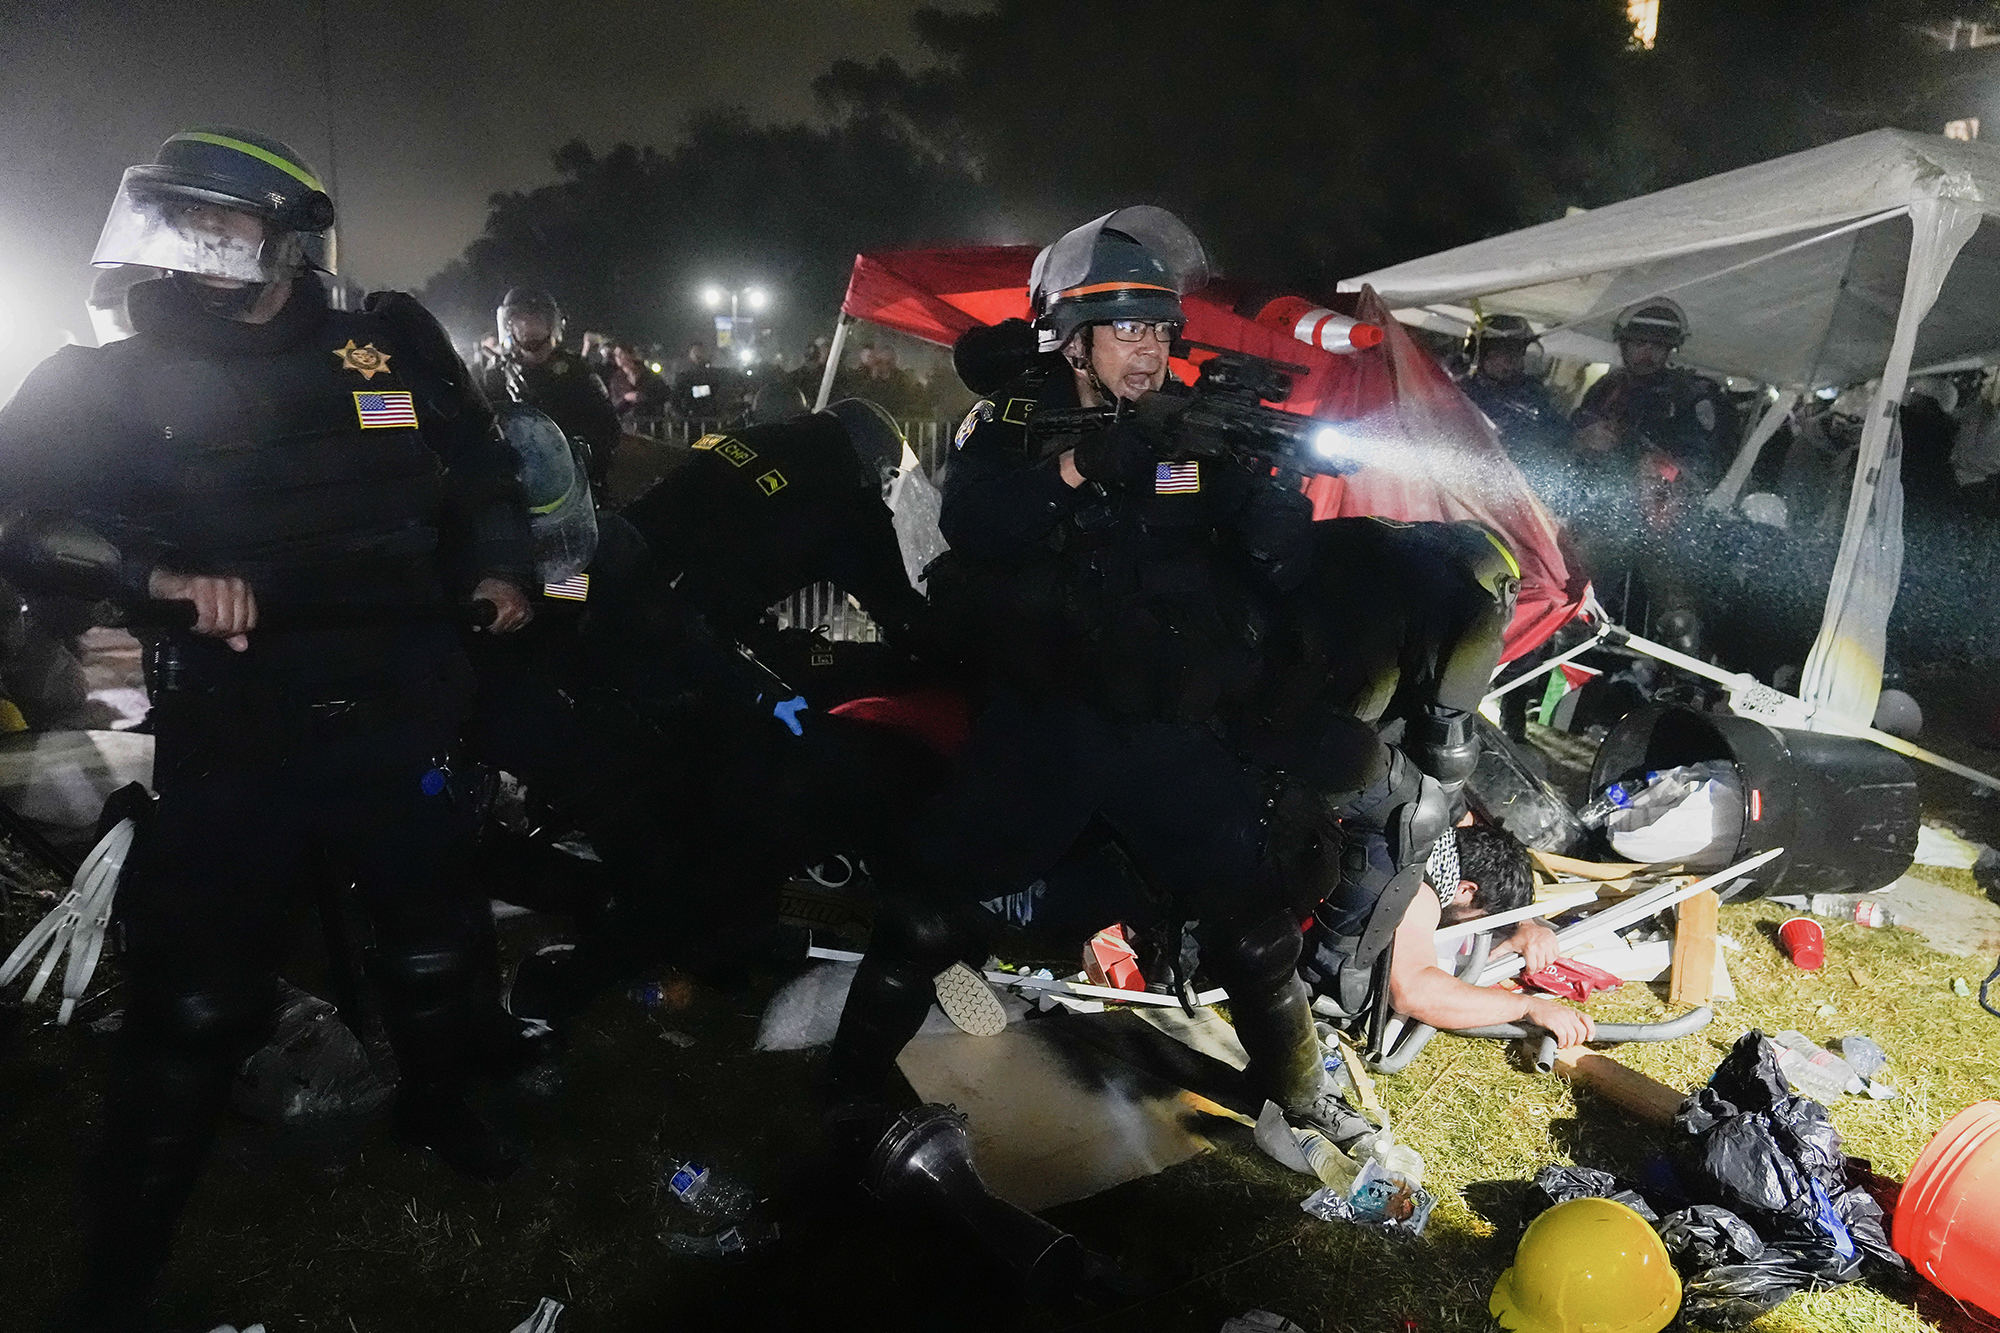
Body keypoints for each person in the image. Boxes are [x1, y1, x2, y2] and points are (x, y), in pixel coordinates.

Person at [0, 126, 535, 1328]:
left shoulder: (389, 338)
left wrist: (500, 568)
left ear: (286, 234)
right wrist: (157, 574)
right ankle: (126, 1249)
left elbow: (478, 474)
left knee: (439, 939)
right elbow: (19, 518)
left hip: (402, 702)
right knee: (196, 999)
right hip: (239, 725)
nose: (199, 255)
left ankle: (444, 1105)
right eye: (180, 226)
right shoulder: (107, 379)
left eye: (225, 227)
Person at [823, 206, 1363, 1157]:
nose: (1150, 350)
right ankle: (849, 1081)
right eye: (1126, 329)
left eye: (1160, 328)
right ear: (1072, 342)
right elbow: (976, 523)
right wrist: (1082, 466)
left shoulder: (1196, 430)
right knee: (927, 907)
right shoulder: (1021, 422)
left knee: (1254, 925)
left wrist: (1273, 519)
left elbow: (1269, 551)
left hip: (1168, 733)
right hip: (1048, 725)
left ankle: (1299, 1097)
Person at [1316, 824, 1593, 1049]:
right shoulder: (1418, 891)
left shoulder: (1425, 833)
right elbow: (1413, 992)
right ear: (1465, 890)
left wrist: (1525, 923)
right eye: (1480, 916)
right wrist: (1527, 1007)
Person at [1569, 299, 1739, 642]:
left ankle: (1683, 685)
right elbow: (1569, 446)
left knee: (1679, 618)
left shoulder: (1693, 395)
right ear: (1624, 345)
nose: (1646, 353)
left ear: (1670, 349)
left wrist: (1661, 465)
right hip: (1604, 518)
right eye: (1638, 344)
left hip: (1664, 525)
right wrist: (1583, 441)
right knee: (1570, 600)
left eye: (1656, 346)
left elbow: (1707, 464)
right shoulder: (1605, 390)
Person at [478, 287, 623, 495]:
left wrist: (578, 458)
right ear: (509, 325)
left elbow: (608, 430)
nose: (527, 326)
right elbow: (482, 427)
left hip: (572, 485)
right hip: (515, 488)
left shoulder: (576, 371)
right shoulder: (497, 374)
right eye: (520, 319)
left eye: (535, 319)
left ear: (550, 324)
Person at [1457, 314, 1569, 508]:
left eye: (1515, 353)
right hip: (1472, 486)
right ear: (1479, 355)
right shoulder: (1462, 393)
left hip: (1525, 490)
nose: (1508, 361)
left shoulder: (1535, 393)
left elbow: (1560, 436)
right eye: (1497, 354)